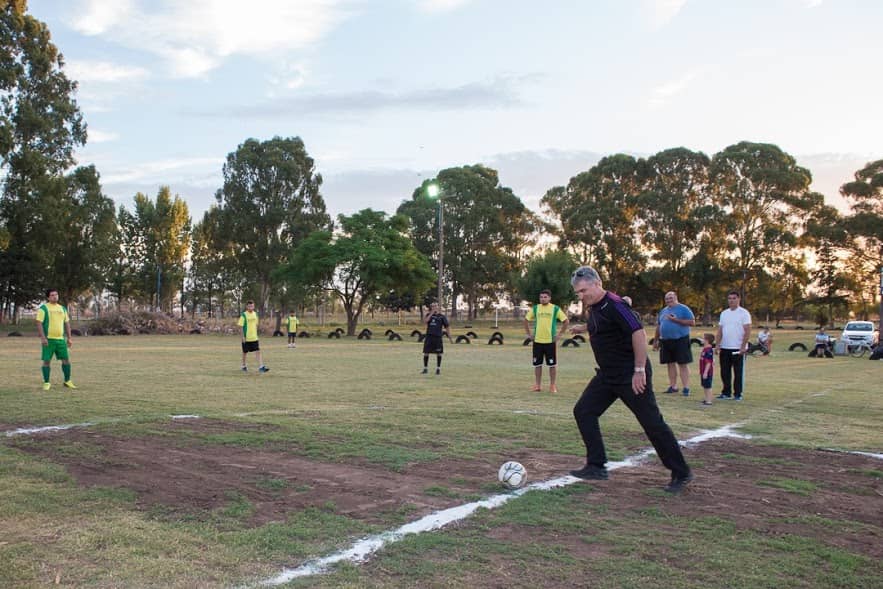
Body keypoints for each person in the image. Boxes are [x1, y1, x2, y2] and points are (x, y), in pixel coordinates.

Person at [568, 266, 693, 493]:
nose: (581, 296)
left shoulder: (616, 304)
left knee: (652, 423)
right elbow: (605, 327)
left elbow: (638, 332)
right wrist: (584, 328)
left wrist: (639, 369)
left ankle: (681, 472)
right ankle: (596, 466)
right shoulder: (594, 308)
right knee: (584, 411)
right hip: (607, 375)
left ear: (597, 283)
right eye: (578, 293)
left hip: (630, 374)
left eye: (584, 290)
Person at [524, 289, 569, 393]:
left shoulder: (555, 309)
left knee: (552, 365)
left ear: (549, 298)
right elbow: (526, 320)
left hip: (550, 342)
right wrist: (529, 334)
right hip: (537, 341)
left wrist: (559, 335)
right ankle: (537, 385)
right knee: (537, 364)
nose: (543, 299)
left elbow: (566, 321)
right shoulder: (535, 309)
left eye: (545, 297)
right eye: (541, 297)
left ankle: (552, 386)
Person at [653, 291, 695, 396]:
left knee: (682, 364)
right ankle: (673, 386)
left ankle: (686, 387)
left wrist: (675, 320)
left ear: (676, 297)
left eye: (671, 298)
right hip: (666, 341)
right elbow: (659, 326)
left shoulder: (683, 309)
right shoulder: (663, 311)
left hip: (681, 339)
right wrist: (656, 340)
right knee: (670, 363)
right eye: (667, 298)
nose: (669, 300)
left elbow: (692, 322)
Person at [35, 288, 76, 391]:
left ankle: (67, 381)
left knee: (66, 360)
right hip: (49, 340)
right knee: (46, 361)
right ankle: (47, 382)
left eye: (56, 294)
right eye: (52, 295)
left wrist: (69, 338)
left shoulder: (62, 308)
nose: (55, 296)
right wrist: (43, 338)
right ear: (48, 297)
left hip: (60, 340)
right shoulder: (43, 308)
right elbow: (39, 323)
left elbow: (67, 323)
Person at [714, 291, 751, 400]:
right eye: (729, 298)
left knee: (738, 373)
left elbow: (747, 330)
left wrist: (743, 346)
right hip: (725, 347)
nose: (731, 300)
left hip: (738, 348)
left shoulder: (744, 313)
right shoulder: (724, 313)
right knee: (725, 372)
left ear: (738, 299)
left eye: (734, 298)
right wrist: (717, 345)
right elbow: (720, 330)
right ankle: (726, 392)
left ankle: (738, 393)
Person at [238, 300, 269, 373]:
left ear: (254, 306)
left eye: (252, 306)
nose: (251, 307)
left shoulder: (255, 314)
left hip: (254, 337)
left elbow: (256, 325)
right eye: (249, 306)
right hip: (246, 338)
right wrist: (243, 337)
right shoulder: (244, 315)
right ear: (247, 307)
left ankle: (261, 367)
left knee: (258, 351)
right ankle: (243, 366)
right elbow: (241, 327)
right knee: (245, 352)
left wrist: (256, 334)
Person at [422, 302, 450, 375]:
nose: (434, 307)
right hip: (429, 337)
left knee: (439, 353)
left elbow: (447, 326)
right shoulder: (429, 315)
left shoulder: (442, 317)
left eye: (435, 306)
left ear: (438, 307)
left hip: (437, 337)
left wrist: (449, 336)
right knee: (426, 353)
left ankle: (438, 369)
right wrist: (431, 313)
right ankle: (425, 368)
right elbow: (425, 321)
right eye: (432, 306)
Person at [699, 333, 715, 406]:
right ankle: (706, 399)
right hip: (703, 371)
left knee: (708, 386)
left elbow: (708, 363)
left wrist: (705, 372)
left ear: (707, 340)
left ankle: (709, 401)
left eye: (703, 338)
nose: (701, 340)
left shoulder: (708, 350)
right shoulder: (705, 349)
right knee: (705, 385)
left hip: (707, 372)